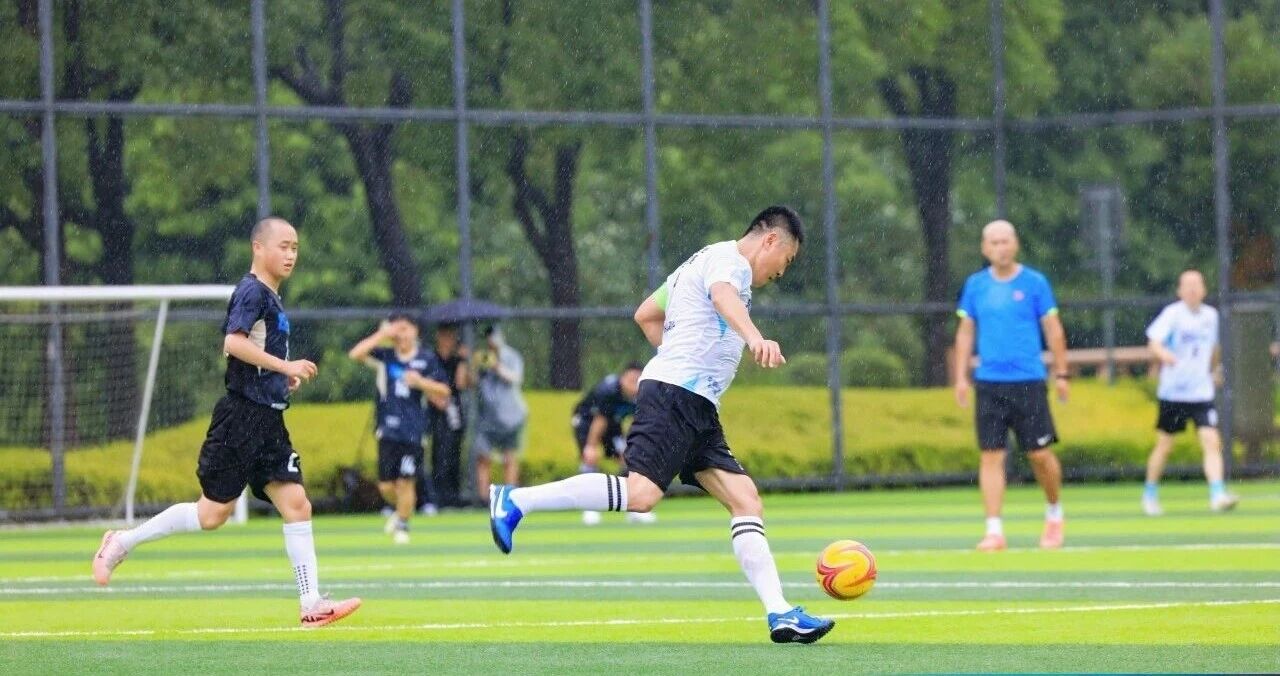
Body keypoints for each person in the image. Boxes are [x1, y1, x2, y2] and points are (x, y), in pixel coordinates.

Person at [488, 206, 835, 644]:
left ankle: (780, 613)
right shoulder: (729, 263)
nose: (780, 273)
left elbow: (645, 314)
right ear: (770, 240)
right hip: (676, 394)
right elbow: (722, 295)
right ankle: (516, 500)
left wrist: (678, 351)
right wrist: (753, 338)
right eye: (785, 261)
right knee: (641, 495)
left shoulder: (700, 262)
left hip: (696, 404)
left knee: (746, 500)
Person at [91, 217, 361, 627]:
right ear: (258, 247)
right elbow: (233, 343)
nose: (291, 254)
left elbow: (254, 352)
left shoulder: (271, 296)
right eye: (283, 246)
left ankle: (310, 605)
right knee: (212, 515)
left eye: (295, 248)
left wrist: (279, 377)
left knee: (297, 504)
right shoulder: (252, 291)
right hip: (241, 419)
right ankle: (122, 542)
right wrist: (284, 365)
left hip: (269, 422)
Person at [954, 220, 1070, 552]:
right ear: (984, 248)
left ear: (1015, 244)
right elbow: (965, 332)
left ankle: (1054, 513)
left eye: (1005, 241)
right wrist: (961, 376)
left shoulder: (1035, 283)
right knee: (991, 455)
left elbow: (1053, 329)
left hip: (1029, 381)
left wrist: (1062, 374)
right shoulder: (975, 285)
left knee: (1040, 454)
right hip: (989, 383)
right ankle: (994, 530)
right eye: (994, 242)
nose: (1000, 247)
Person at [1141, 270, 1239, 515]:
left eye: (1197, 284)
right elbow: (1153, 342)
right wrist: (1164, 355)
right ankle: (1150, 494)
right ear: (1180, 290)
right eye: (1188, 285)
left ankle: (1217, 494)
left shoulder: (1211, 316)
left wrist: (1214, 370)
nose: (1193, 289)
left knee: (1211, 440)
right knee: (1165, 446)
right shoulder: (1172, 314)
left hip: (1201, 393)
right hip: (1173, 393)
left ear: (1204, 289)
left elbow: (1214, 348)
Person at [348, 312, 450, 543]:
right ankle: (402, 510)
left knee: (406, 481)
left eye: (404, 328)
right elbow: (356, 354)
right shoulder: (385, 356)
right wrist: (382, 334)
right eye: (396, 329)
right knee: (386, 486)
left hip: (414, 432)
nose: (400, 334)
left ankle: (403, 525)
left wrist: (421, 382)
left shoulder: (426, 359)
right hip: (387, 430)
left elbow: (444, 390)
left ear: (415, 331)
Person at [573, 363, 653, 525]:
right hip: (587, 422)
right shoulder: (608, 391)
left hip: (613, 423)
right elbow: (599, 421)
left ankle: (633, 508)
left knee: (628, 458)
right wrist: (591, 446)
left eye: (638, 381)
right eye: (631, 380)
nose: (635, 385)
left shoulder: (642, 394)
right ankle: (590, 508)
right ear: (622, 378)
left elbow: (636, 422)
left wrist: (630, 446)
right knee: (590, 458)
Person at [473, 325, 528, 501]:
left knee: (509, 457)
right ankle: (483, 500)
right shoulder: (481, 356)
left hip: (510, 417)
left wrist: (496, 366)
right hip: (487, 418)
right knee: (483, 457)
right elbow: (471, 382)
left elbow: (516, 378)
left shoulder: (511, 356)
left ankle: (510, 497)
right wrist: (471, 364)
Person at [423, 323, 470, 510]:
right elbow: (426, 384)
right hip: (436, 413)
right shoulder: (431, 359)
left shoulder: (456, 360)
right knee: (439, 454)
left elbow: (461, 384)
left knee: (454, 454)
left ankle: (454, 497)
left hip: (454, 412)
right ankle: (439, 497)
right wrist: (437, 399)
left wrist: (463, 361)